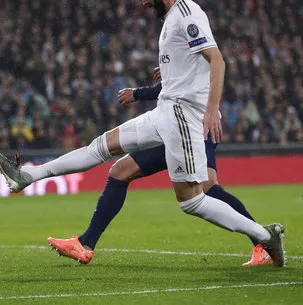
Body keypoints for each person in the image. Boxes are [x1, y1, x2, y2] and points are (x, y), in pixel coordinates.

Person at [0, 0, 286, 267]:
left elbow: (217, 61)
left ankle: (264, 237)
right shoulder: (172, 17)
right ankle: (27, 175)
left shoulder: (188, 16)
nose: (142, 1)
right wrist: (169, 74)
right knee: (102, 148)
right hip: (164, 112)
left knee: (193, 200)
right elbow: (188, 67)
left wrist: (212, 110)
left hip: (184, 119)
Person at [48, 75, 271, 267]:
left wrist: (138, 93)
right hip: (172, 127)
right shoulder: (176, 37)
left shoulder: (191, 33)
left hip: (196, 126)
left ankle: (262, 244)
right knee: (120, 170)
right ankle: (85, 244)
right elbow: (174, 82)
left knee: (208, 188)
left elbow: (191, 77)